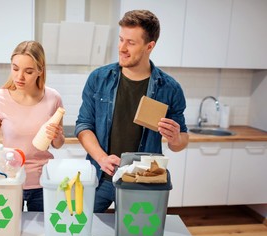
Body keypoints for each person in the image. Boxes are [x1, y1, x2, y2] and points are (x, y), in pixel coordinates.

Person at [75, 10, 189, 213]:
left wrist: (174, 138)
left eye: (131, 43)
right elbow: (83, 125)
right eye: (121, 40)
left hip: (143, 181)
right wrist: (101, 158)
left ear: (149, 46)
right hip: (100, 176)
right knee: (84, 231)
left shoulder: (169, 88)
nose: (122, 48)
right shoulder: (99, 78)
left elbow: (181, 142)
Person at [0, 40, 65, 212]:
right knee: (10, 233)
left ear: (40, 70)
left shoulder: (54, 98)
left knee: (40, 235)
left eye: (28, 71)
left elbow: (57, 144)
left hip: (42, 181)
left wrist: (58, 136)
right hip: (9, 179)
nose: (19, 77)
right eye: (15, 68)